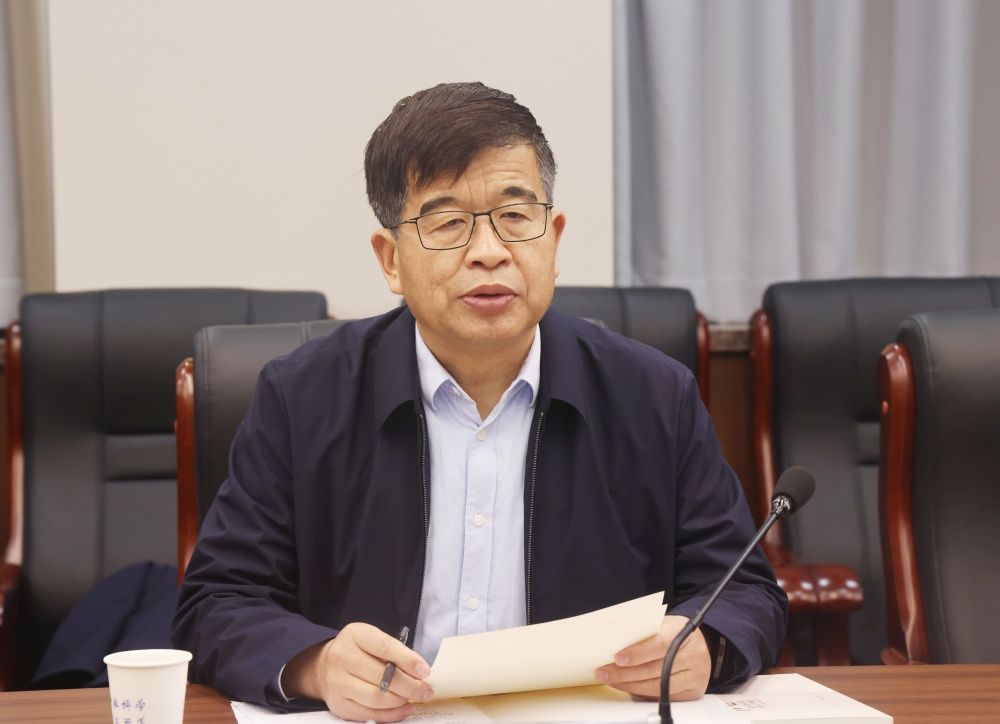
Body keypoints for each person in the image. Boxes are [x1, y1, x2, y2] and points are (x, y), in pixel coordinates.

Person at [172, 82, 787, 722]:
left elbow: (744, 589)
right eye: (447, 224)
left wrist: (705, 643)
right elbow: (216, 601)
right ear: (390, 260)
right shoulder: (302, 398)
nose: (489, 252)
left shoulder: (654, 396)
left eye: (515, 217)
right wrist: (318, 664)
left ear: (553, 238)